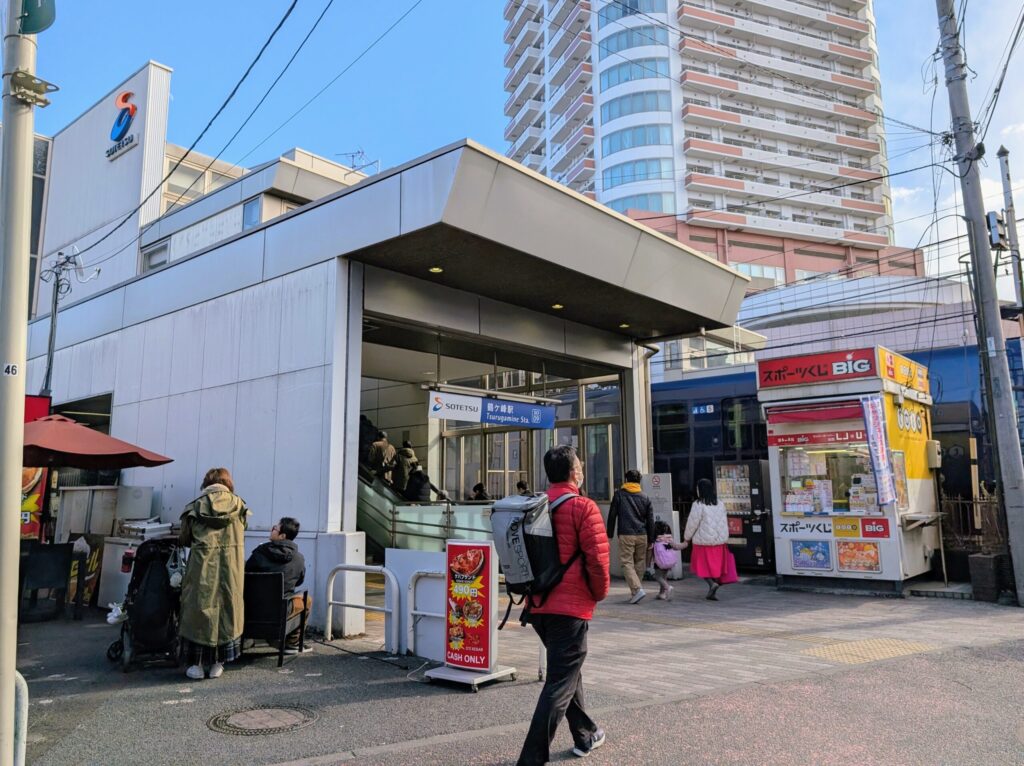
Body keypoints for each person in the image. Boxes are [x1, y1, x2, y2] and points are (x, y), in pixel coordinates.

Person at [517, 445, 610, 766]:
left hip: (537, 604)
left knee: (567, 671)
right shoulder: (583, 507)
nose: (582, 469)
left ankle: (586, 735)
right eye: (580, 465)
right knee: (559, 683)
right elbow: (597, 560)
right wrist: (598, 593)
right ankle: (530, 760)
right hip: (569, 609)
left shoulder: (534, 506)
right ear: (574, 472)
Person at [179, 467, 250, 680]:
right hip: (231, 569)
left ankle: (197, 666)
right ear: (228, 483)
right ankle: (218, 664)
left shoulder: (194, 507)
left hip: (201, 569)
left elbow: (184, 539)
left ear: (206, 483)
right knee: (227, 608)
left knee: (198, 608)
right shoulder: (240, 507)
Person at [245, 516, 310, 654]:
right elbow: (299, 581)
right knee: (307, 600)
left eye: (275, 528)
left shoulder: (258, 553)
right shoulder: (299, 559)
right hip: (280, 611)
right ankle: (292, 643)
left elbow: (246, 574)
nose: (272, 529)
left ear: (282, 536)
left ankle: (249, 638)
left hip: (252, 610)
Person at [669, 478, 737, 601]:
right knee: (716, 567)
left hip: (703, 542)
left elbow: (692, 523)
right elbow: (724, 522)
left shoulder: (698, 504)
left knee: (701, 565)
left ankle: (712, 584)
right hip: (719, 542)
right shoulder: (720, 503)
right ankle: (712, 590)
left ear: (700, 490)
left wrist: (686, 538)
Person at [606, 469, 655, 604]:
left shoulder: (619, 495)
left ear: (626, 480)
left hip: (626, 534)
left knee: (626, 562)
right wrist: (651, 539)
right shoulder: (645, 497)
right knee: (640, 562)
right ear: (639, 481)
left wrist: (609, 534)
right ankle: (636, 591)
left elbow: (612, 515)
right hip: (642, 535)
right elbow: (650, 520)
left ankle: (637, 590)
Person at [652, 520, 679, 601]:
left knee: (657, 576)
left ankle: (668, 588)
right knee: (663, 577)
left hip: (659, 562)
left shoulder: (656, 540)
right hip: (668, 562)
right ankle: (662, 594)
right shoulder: (668, 539)